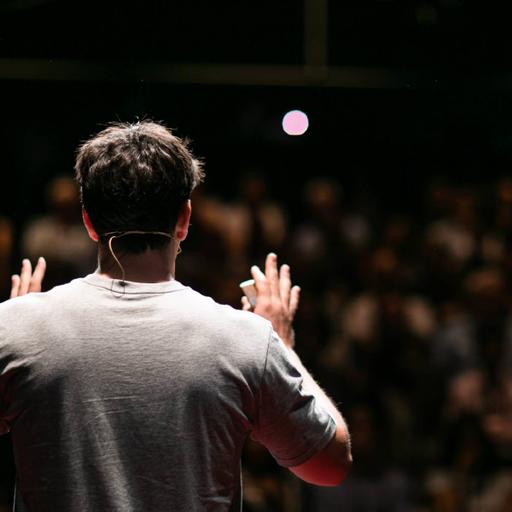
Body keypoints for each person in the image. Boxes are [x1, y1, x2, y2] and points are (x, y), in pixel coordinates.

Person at [0, 121, 351, 511]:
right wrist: (282, 346)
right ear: (185, 219)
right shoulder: (246, 339)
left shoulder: (12, 329)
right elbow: (331, 465)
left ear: (89, 222)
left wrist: (20, 330)